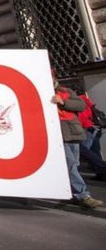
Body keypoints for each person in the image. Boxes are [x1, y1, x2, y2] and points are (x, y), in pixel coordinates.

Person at [53, 78, 103, 209]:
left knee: (74, 165)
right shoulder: (41, 93)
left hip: (73, 133)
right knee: (70, 166)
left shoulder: (65, 91)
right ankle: (83, 195)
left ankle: (70, 195)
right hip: (58, 136)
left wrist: (62, 101)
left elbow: (80, 105)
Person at [77, 88, 106, 181]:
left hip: (87, 129)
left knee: (85, 152)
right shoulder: (87, 101)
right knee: (95, 152)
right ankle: (101, 173)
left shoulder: (80, 101)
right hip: (94, 129)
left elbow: (82, 117)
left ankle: (103, 170)